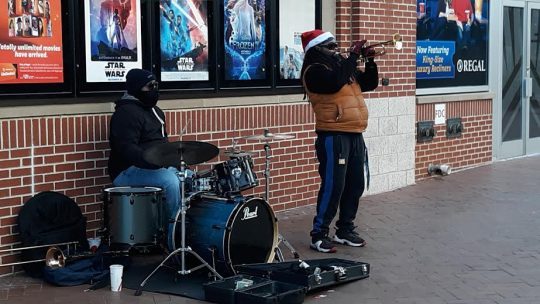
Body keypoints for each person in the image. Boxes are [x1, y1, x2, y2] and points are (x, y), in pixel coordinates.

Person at [300, 30, 378, 253]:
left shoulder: (343, 68)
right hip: (333, 135)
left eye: (336, 46)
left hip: (355, 133)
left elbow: (369, 83)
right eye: (331, 46)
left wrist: (370, 60)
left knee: (355, 185)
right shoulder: (314, 71)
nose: (337, 50)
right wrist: (352, 57)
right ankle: (319, 234)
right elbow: (334, 84)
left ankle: (344, 229)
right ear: (318, 50)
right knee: (334, 186)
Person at [108, 69, 180, 250]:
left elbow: (163, 143)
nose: (155, 89)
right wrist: (153, 162)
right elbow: (126, 149)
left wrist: (172, 159)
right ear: (136, 88)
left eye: (156, 85)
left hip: (154, 167)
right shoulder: (125, 114)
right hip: (127, 171)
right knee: (170, 181)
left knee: (188, 177)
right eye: (150, 86)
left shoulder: (156, 112)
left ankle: (189, 229)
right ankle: (173, 235)